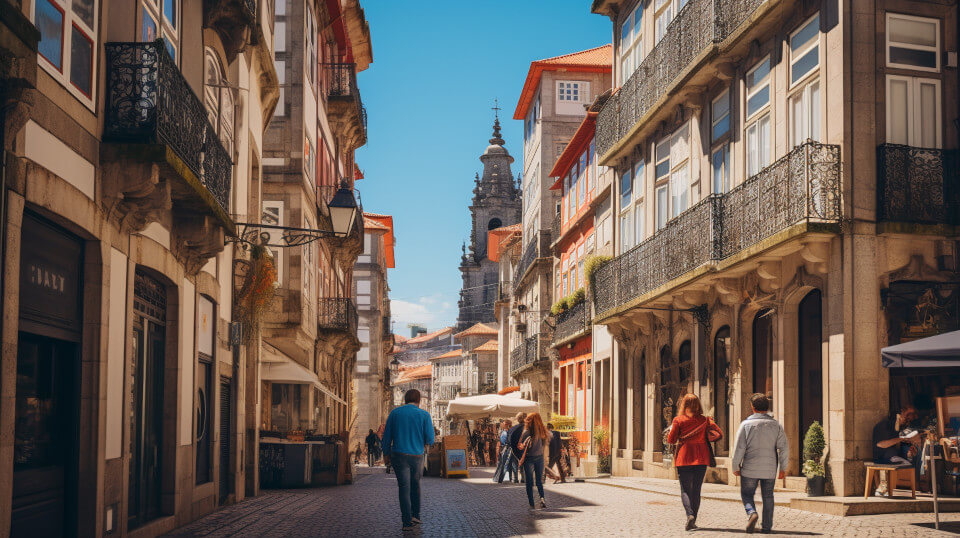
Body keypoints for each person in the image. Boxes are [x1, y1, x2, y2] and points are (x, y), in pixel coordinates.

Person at [732, 393, 789, 534]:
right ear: (767, 407)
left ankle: (752, 513)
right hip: (769, 469)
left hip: (749, 468)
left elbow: (739, 448)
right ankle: (767, 526)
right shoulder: (776, 425)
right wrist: (783, 468)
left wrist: (735, 466)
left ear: (752, 407)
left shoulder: (746, 425)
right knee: (768, 496)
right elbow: (784, 448)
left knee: (746, 494)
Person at [666, 393, 723, 531]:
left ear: (683, 405)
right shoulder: (705, 420)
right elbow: (719, 434)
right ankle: (693, 519)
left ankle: (690, 515)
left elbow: (671, 440)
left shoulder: (678, 420)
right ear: (698, 405)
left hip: (684, 457)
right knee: (696, 490)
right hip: (701, 457)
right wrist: (705, 438)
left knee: (685, 490)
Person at [382, 389, 436, 531]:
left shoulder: (395, 413)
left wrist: (386, 453)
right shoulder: (424, 415)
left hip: (399, 455)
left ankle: (406, 522)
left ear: (405, 399)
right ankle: (416, 515)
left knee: (404, 488)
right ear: (419, 400)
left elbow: (387, 436)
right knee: (416, 485)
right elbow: (431, 439)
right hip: (417, 456)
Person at [872, 404, 921, 496]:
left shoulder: (900, 429)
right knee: (903, 462)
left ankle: (915, 486)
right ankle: (883, 487)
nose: (908, 419)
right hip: (883, 458)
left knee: (915, 457)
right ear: (899, 414)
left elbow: (901, 450)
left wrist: (910, 453)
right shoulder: (884, 425)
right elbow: (881, 444)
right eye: (906, 416)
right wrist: (902, 438)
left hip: (894, 456)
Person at [519, 412, 550, 509]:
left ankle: (531, 503)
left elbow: (521, 446)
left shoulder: (526, 432)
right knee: (539, 481)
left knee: (529, 482)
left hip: (529, 458)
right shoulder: (543, 432)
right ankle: (542, 499)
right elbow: (544, 445)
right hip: (539, 457)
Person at [508, 413, 526, 483]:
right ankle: (523, 478)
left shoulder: (513, 428)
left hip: (513, 449)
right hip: (524, 449)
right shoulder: (528, 428)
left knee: (514, 464)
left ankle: (515, 478)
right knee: (523, 463)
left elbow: (509, 439)